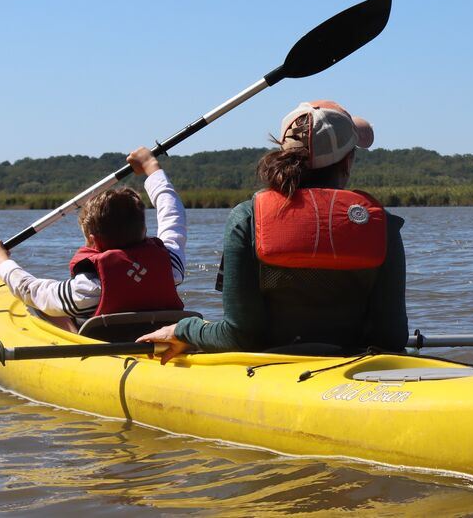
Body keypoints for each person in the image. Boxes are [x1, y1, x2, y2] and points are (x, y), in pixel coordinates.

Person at [138, 100, 407, 363]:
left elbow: (239, 335)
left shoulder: (247, 218)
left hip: (273, 368)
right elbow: (392, 338)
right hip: (357, 370)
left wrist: (184, 330)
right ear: (348, 162)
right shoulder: (382, 224)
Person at [0, 147, 186, 327]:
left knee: (43, 308)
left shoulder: (86, 289)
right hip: (159, 341)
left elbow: (31, 291)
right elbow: (172, 215)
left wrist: (1, 261)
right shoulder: (170, 266)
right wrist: (152, 167)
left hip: (108, 353)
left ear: (93, 240)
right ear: (143, 231)